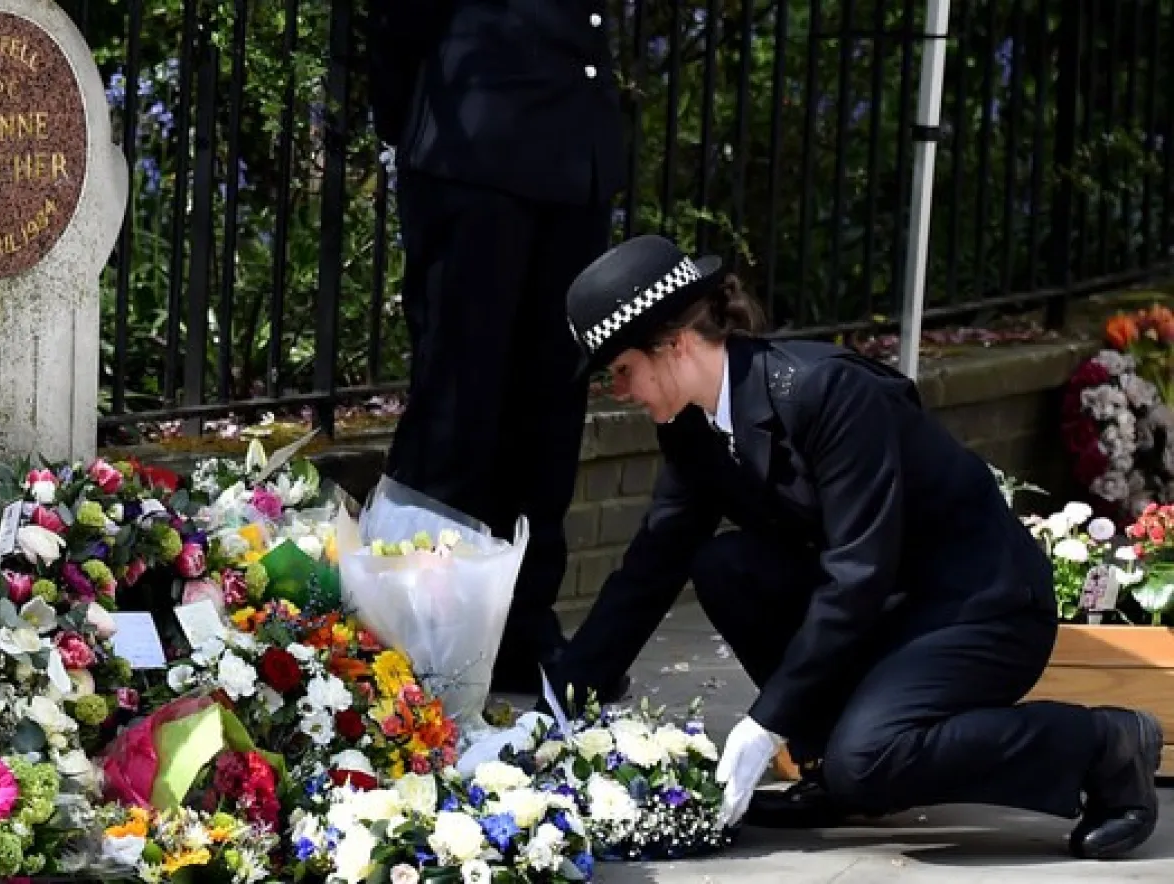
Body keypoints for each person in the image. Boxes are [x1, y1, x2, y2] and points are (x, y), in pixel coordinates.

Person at [545, 233, 1162, 860]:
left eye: (621, 371)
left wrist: (765, 725)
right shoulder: (692, 427)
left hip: (977, 603)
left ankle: (1104, 746)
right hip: (888, 602)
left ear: (673, 345)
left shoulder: (825, 392)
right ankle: (829, 767)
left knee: (868, 759)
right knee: (726, 567)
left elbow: (857, 574)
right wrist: (558, 709)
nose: (618, 392)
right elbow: (654, 563)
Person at [366, 1, 628, 693]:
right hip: (475, 152)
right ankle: (421, 626)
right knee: (459, 405)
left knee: (551, 406)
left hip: (573, 160)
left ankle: (521, 627)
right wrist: (409, 120)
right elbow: (399, 21)